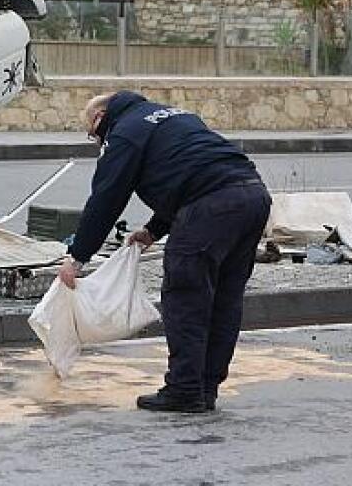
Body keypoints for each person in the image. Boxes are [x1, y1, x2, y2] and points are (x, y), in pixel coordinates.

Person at [59, 91, 271, 413]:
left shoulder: (124, 133)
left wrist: (77, 257)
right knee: (224, 300)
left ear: (101, 117)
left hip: (211, 206)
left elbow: (107, 198)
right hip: (253, 197)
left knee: (186, 297)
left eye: (92, 133)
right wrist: (154, 230)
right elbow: (189, 170)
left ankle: (185, 389)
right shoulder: (174, 115)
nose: (96, 140)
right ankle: (205, 388)